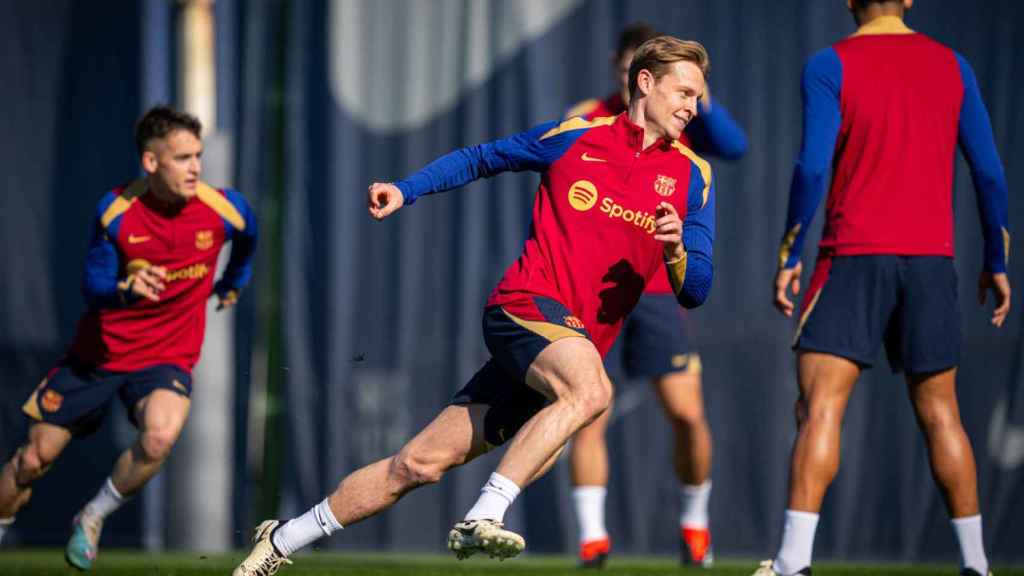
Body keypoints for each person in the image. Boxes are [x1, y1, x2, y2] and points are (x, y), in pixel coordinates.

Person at [233, 35, 716, 576]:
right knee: (592, 391)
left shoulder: (693, 176)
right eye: (684, 92)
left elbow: (696, 289)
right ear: (645, 83)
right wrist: (405, 188)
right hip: (526, 304)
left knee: (416, 465)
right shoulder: (575, 137)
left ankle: (280, 540)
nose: (691, 107)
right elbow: (483, 157)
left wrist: (674, 251)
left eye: (697, 97)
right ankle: (484, 513)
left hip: (565, 350)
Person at [757, 1, 1009, 575]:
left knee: (820, 410)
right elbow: (989, 171)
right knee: (944, 415)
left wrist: (789, 252)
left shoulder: (829, 63)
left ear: (850, 0)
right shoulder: (953, 65)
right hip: (930, 262)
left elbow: (812, 168)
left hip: (851, 256)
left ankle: (793, 564)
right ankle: (977, 566)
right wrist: (996, 257)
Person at [0, 106, 258, 570]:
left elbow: (248, 238)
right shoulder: (117, 212)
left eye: (198, 155)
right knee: (32, 461)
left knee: (159, 439)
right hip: (98, 357)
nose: (196, 167)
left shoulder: (225, 208)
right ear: (151, 162)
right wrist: (125, 289)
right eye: (182, 158)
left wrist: (234, 281)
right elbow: (91, 288)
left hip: (166, 357)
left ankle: (93, 516)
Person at [565, 22, 747, 569]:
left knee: (687, 414)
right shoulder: (588, 117)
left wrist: (702, 99)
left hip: (655, 291)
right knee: (586, 411)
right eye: (627, 70)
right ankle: (593, 540)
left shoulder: (684, 120)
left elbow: (735, 145)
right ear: (629, 73)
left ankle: (695, 526)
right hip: (593, 293)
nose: (634, 80)